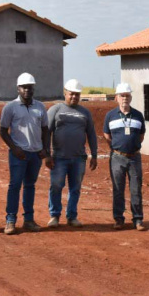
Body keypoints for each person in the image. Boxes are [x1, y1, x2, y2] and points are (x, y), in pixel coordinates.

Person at [0, 72, 49, 235]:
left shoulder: (40, 107)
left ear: (33, 88)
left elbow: (45, 130)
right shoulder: (10, 107)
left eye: (30, 87)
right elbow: (3, 131)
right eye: (24, 87)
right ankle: (10, 220)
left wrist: (45, 149)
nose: (27, 90)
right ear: (18, 88)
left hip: (35, 155)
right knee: (14, 186)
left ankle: (28, 220)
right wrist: (14, 148)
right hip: (19, 155)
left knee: (30, 186)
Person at [46, 78, 97, 227]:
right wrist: (46, 154)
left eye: (77, 94)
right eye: (71, 94)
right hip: (58, 157)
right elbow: (46, 132)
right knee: (56, 186)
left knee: (75, 188)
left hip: (79, 158)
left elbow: (92, 134)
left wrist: (94, 154)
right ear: (65, 93)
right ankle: (54, 216)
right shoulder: (55, 110)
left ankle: (71, 216)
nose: (74, 97)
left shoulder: (85, 113)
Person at [102, 83, 147, 231]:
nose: (124, 98)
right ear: (116, 98)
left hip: (134, 157)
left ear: (131, 97)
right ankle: (119, 219)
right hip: (117, 157)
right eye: (122, 96)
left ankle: (138, 219)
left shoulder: (138, 115)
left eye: (127, 95)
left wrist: (131, 146)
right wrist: (118, 147)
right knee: (118, 189)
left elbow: (141, 136)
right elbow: (107, 135)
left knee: (135, 189)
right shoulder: (110, 115)